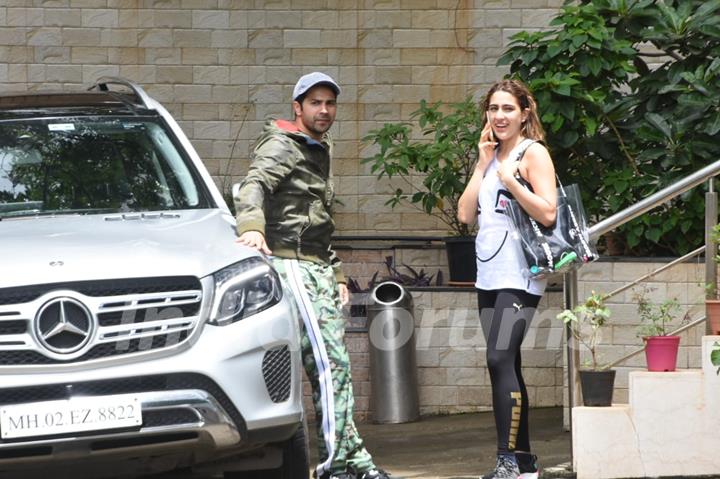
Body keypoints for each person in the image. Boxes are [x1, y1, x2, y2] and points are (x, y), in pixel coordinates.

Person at [234, 72, 394, 479]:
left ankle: (353, 460)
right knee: (328, 366)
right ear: (297, 107)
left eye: (330, 103)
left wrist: (337, 272)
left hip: (317, 265)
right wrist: (251, 226)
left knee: (336, 369)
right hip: (293, 264)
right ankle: (334, 468)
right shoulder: (282, 145)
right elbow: (253, 186)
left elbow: (316, 218)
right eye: (316, 103)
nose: (324, 110)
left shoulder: (317, 147)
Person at [457, 79, 557, 479]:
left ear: (524, 113)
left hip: (521, 274)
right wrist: (483, 165)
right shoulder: (490, 156)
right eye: (493, 109)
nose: (499, 116)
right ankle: (526, 462)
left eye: (508, 109)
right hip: (489, 274)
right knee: (507, 362)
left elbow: (548, 213)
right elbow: (466, 216)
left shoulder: (533, 154)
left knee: (498, 357)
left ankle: (507, 461)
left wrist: (511, 180)